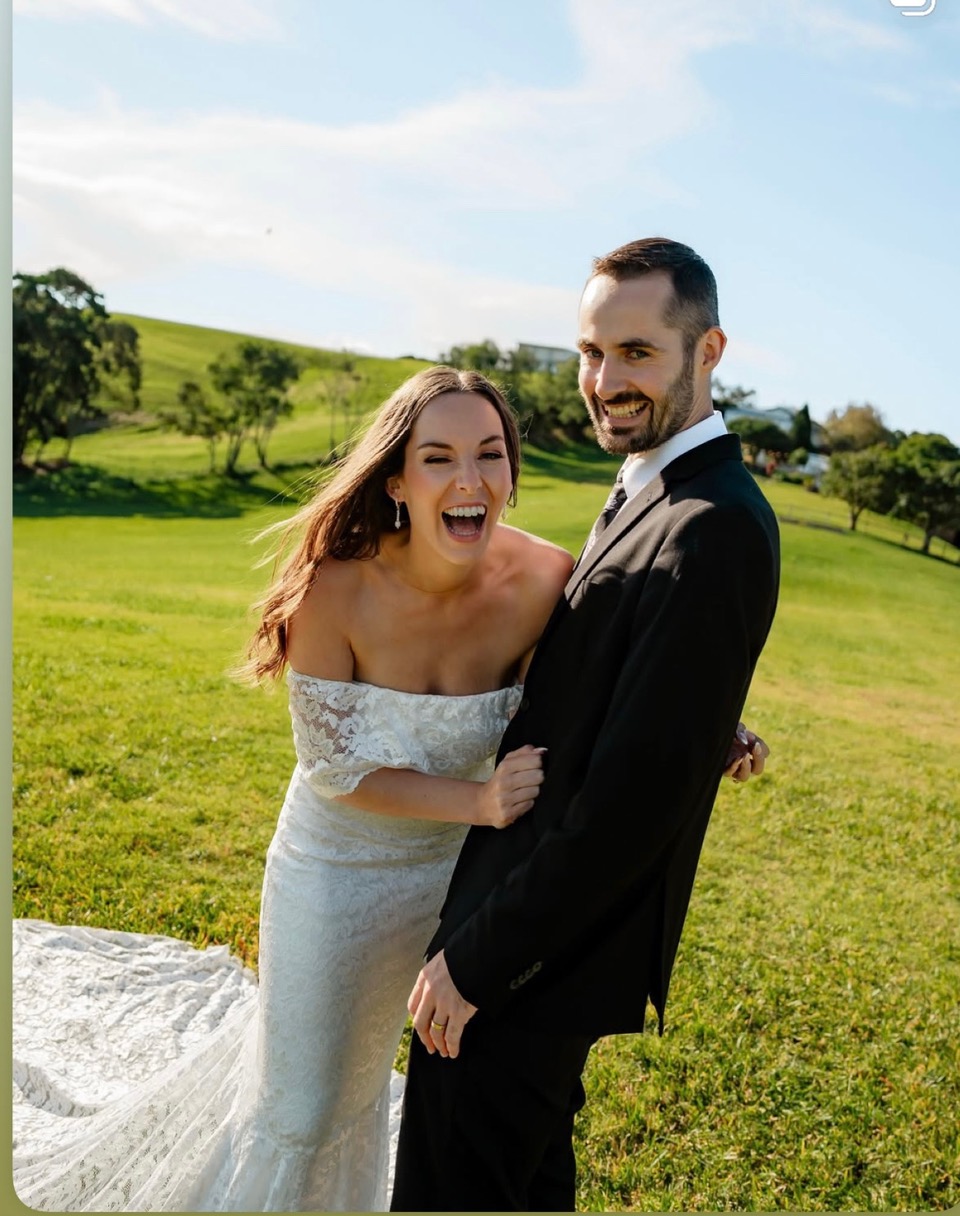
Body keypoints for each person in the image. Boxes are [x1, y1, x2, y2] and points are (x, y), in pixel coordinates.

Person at [13, 367, 765, 1212]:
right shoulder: (333, 588)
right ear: (397, 482)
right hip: (335, 871)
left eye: (490, 454)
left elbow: (621, 677)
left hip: (458, 880)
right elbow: (335, 771)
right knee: (304, 1105)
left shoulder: (547, 580)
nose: (468, 479)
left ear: (512, 473)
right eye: (438, 458)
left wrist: (713, 726)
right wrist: (479, 801)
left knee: (372, 1090)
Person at [391, 238, 781, 1213]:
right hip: (536, 942)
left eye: (637, 353)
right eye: (591, 352)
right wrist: (701, 716)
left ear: (709, 350)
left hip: (530, 958)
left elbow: (629, 808)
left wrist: (479, 961)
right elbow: (625, 675)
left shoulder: (715, 523)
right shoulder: (656, 485)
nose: (604, 382)